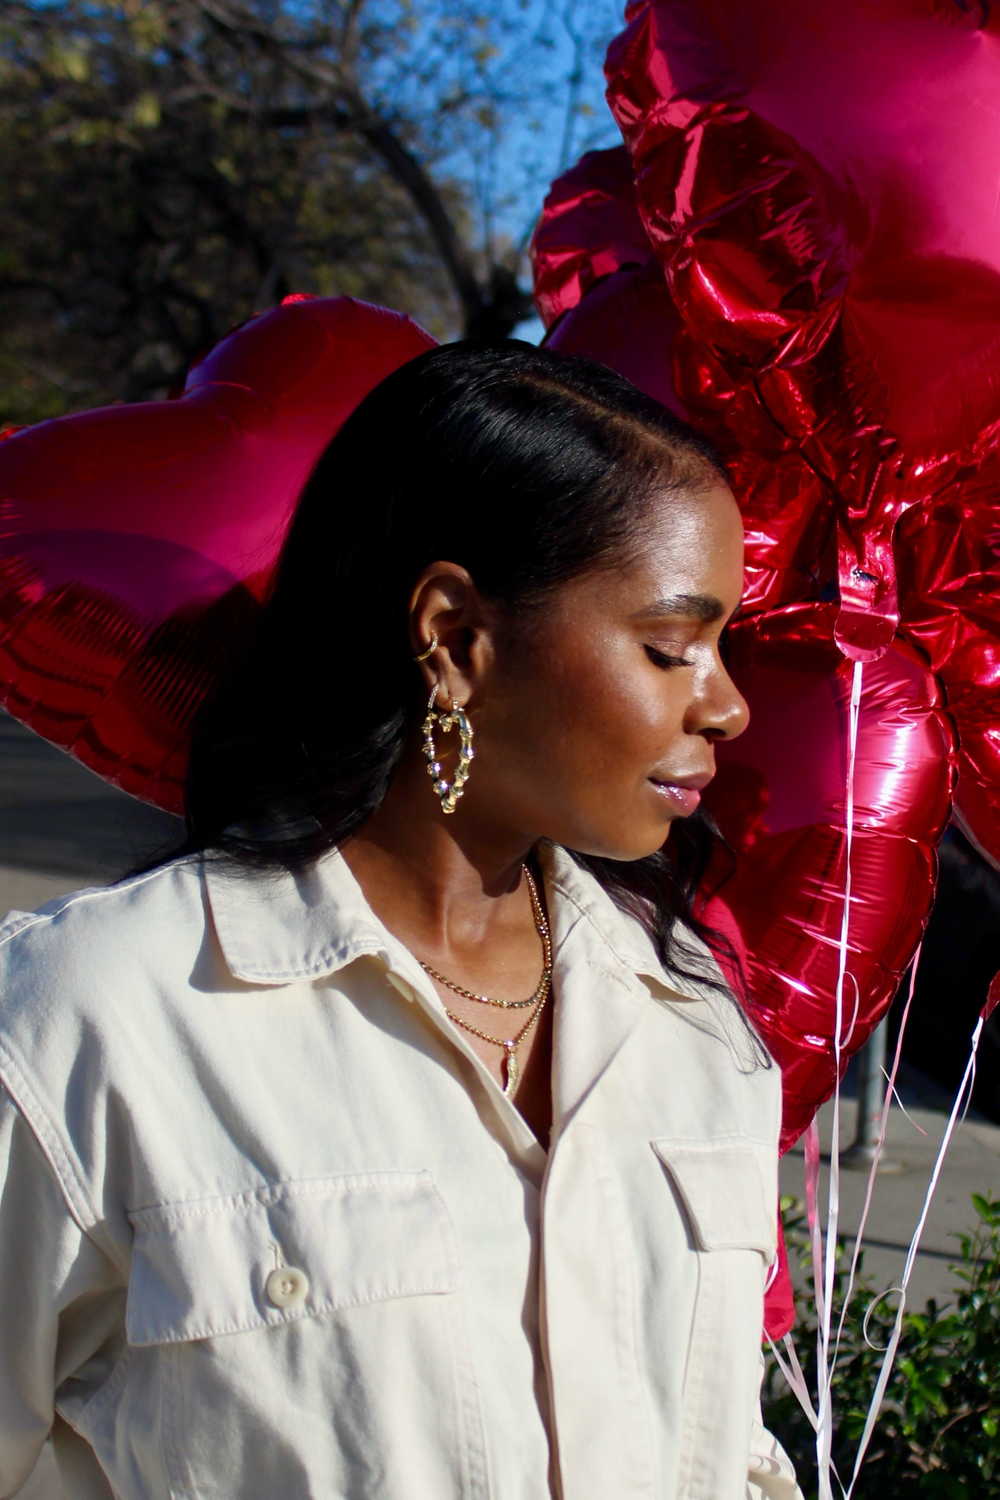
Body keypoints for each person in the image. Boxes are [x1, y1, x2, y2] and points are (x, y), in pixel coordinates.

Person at [0, 342, 802, 1499]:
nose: (725, 706)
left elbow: (723, 1446)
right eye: (672, 648)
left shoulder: (694, 1026)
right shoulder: (93, 1021)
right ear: (455, 636)